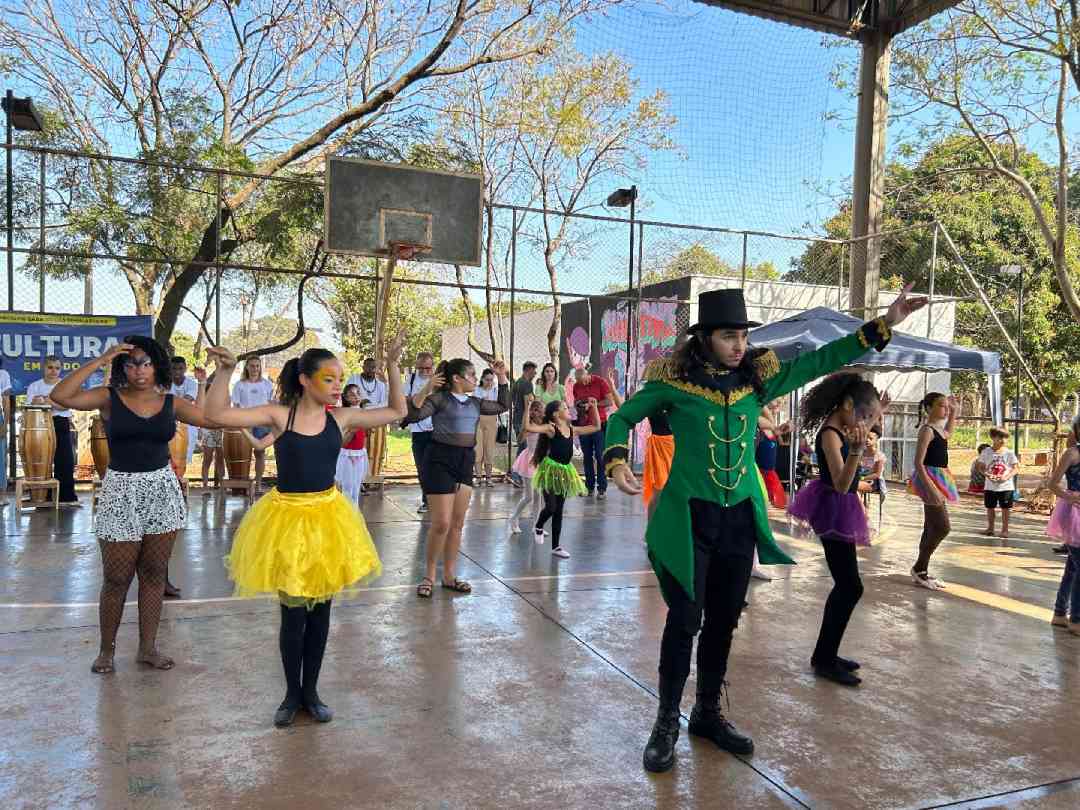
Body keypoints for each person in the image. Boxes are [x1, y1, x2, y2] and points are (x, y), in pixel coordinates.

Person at [603, 285, 925, 773]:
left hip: (738, 520)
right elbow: (624, 417)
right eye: (729, 336)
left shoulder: (757, 382)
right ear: (706, 338)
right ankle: (666, 720)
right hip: (690, 516)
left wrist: (887, 321)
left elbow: (824, 359)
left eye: (742, 336)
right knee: (685, 619)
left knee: (725, 618)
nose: (738, 345)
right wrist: (616, 459)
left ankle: (707, 714)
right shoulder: (675, 383)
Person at [204, 332, 407, 727]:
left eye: (339, 379)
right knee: (293, 615)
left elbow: (398, 410)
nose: (336, 387)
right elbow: (216, 415)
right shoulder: (280, 415)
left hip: (328, 522)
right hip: (287, 521)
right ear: (305, 380)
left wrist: (394, 366)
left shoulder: (342, 418)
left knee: (321, 613)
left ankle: (311, 692)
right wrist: (225, 372)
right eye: (328, 379)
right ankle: (290, 694)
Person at [49, 336, 213, 674]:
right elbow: (60, 396)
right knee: (116, 578)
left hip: (162, 490)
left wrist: (215, 376)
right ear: (123, 367)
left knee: (153, 575)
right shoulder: (110, 398)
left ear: (157, 367)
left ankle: (147, 649)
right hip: (120, 490)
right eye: (131, 362)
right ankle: (106, 651)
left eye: (145, 362)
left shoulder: (171, 402)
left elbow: (211, 418)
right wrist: (102, 359)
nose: (138, 369)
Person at [789, 373, 883, 687]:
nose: (867, 423)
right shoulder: (831, 434)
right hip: (833, 509)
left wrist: (874, 415)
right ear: (846, 405)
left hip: (839, 509)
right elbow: (843, 485)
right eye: (865, 415)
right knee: (849, 586)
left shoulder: (843, 425)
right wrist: (857, 451)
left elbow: (862, 423)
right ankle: (824, 658)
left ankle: (826, 654)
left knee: (847, 585)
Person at [406, 358, 510, 597]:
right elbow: (413, 415)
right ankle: (429, 575)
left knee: (457, 523)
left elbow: (503, 404)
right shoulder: (439, 399)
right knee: (441, 523)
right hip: (439, 459)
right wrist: (427, 387)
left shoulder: (475, 402)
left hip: (464, 461)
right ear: (457, 378)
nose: (475, 379)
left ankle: (449, 575)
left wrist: (502, 375)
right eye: (471, 375)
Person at [527, 399, 602, 558]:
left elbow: (596, 427)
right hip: (550, 470)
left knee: (559, 510)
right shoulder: (551, 428)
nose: (569, 409)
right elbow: (529, 427)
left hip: (565, 472)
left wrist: (594, 407)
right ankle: (539, 526)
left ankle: (556, 547)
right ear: (556, 414)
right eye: (565, 408)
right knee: (551, 507)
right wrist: (527, 408)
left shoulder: (572, 429)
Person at [907, 392, 959, 590]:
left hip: (938, 479)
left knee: (931, 527)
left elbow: (948, 434)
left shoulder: (938, 429)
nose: (945, 409)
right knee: (943, 527)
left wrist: (954, 412)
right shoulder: (927, 430)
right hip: (929, 480)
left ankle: (922, 571)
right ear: (928, 408)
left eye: (946, 406)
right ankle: (920, 567)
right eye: (941, 405)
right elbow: (918, 463)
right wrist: (932, 488)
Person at [27, 355, 79, 506]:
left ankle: (66, 498)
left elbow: (66, 405)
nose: (53, 371)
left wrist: (48, 401)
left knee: (65, 461)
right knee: (42, 461)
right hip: (40, 424)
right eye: (50, 367)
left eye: (57, 368)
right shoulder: (35, 386)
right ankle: (42, 496)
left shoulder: (66, 385)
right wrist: (54, 402)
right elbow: (31, 406)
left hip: (61, 422)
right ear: (44, 368)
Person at [1047, 415, 1080, 635]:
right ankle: (1076, 619)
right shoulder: (1072, 453)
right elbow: (1053, 484)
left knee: (1072, 565)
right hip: (1074, 512)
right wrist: (1071, 497)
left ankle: (1060, 613)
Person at [231, 356, 275, 491]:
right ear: (247, 367)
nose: (255, 368)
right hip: (245, 423)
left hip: (262, 423)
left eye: (257, 366)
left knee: (260, 453)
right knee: (244, 455)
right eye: (252, 366)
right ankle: (242, 486)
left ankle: (258, 484)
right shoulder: (239, 385)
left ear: (260, 367)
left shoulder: (267, 384)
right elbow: (236, 405)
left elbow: (272, 404)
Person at [572, 365, 613, 499]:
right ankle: (589, 487)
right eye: (579, 381)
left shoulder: (600, 382)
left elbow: (609, 401)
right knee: (587, 457)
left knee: (601, 457)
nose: (581, 384)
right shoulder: (576, 386)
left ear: (587, 375)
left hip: (599, 424)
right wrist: (579, 405)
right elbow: (575, 401)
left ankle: (602, 488)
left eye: (583, 380)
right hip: (584, 425)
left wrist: (594, 405)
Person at [508, 398, 545, 534]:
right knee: (529, 496)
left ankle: (537, 525)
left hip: (541, 461)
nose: (543, 412)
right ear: (534, 412)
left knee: (538, 495)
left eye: (543, 410)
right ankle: (513, 518)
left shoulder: (545, 424)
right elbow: (519, 440)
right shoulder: (529, 426)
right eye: (540, 410)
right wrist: (526, 408)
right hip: (529, 461)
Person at [405, 352, 436, 513]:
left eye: (428, 368)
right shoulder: (410, 379)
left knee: (438, 467)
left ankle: (439, 500)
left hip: (438, 431)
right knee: (422, 467)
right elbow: (408, 401)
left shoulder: (439, 381)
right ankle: (426, 500)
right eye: (420, 368)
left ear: (433, 366)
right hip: (418, 431)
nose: (424, 371)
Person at [975, 428, 1019, 538]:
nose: (1003, 440)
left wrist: (1006, 477)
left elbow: (1016, 468)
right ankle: (990, 528)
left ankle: (1005, 530)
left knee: (1005, 508)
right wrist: (988, 475)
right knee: (990, 507)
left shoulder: (1009, 453)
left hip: (1006, 486)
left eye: (1005, 438)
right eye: (1000, 437)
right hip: (990, 486)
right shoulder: (986, 452)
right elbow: (980, 467)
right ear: (993, 438)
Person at [335, 384, 368, 504]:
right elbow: (343, 440)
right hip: (347, 454)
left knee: (356, 486)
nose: (356, 397)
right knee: (347, 486)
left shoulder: (363, 412)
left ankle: (354, 512)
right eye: (352, 395)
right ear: (346, 397)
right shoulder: (345, 413)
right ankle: (346, 513)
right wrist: (352, 430)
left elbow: (364, 436)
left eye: (358, 393)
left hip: (359, 453)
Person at [510, 361, 538, 486]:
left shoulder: (517, 383)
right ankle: (516, 476)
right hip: (522, 420)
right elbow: (529, 404)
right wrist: (527, 420)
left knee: (523, 447)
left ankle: (518, 475)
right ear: (528, 370)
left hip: (517, 418)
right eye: (534, 371)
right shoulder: (527, 384)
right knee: (524, 448)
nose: (535, 373)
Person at [472, 368, 500, 488]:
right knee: (478, 450)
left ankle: (489, 478)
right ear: (482, 379)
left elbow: (498, 404)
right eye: (487, 380)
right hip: (479, 421)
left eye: (491, 380)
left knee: (489, 450)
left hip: (491, 421)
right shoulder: (477, 390)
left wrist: (486, 403)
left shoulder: (495, 390)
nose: (489, 382)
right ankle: (478, 477)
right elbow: (476, 404)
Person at [857, 425, 887, 499]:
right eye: (866, 437)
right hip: (861, 478)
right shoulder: (861, 453)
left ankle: (860, 508)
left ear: (876, 440)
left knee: (854, 487)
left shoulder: (879, 456)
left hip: (873, 483)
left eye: (870, 438)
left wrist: (862, 478)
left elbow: (877, 474)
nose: (867, 440)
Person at [0, 358, 11, 497]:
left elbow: (6, 402)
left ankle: (2, 494)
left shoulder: (3, 374)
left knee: (1, 457)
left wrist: (5, 424)